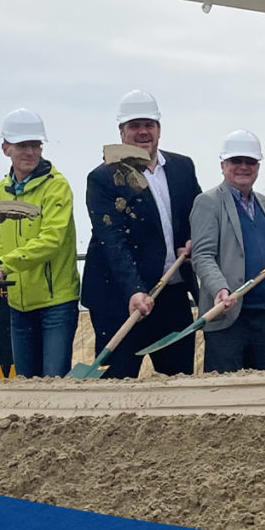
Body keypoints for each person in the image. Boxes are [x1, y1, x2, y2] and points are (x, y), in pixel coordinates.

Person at [81, 89, 201, 379]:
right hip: (119, 299)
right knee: (118, 385)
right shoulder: (104, 178)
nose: (143, 132)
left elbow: (197, 216)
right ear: (121, 131)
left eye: (149, 125)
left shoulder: (182, 167)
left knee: (178, 382)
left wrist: (194, 240)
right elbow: (112, 242)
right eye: (135, 126)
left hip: (170, 293)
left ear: (159, 128)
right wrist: (134, 289)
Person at [190, 130, 265, 373]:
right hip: (228, 320)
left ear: (258, 166)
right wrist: (220, 288)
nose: (243, 167)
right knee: (226, 396)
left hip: (263, 318)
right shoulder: (208, 203)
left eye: (250, 161)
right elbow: (202, 255)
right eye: (236, 161)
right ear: (223, 165)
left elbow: (261, 242)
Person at [0, 109, 80, 377]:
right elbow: (4, 237)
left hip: (55, 303)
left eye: (36, 145)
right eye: (23, 145)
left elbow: (52, 239)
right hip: (18, 306)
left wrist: (4, 264)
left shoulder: (56, 187)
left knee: (54, 384)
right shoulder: (2, 190)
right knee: (26, 386)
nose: (30, 152)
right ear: (5, 148)